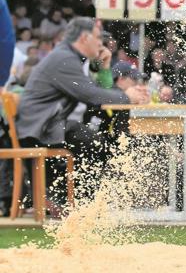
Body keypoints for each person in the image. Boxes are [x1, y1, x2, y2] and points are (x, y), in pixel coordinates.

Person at [16, 18, 150, 204]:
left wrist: (104, 68)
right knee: (96, 143)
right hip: (40, 130)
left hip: (47, 125)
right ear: (84, 38)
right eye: (97, 38)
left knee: (98, 141)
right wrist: (127, 97)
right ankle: (78, 201)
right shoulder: (64, 59)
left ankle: (80, 200)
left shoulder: (70, 57)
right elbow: (92, 95)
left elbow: (98, 93)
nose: (100, 43)